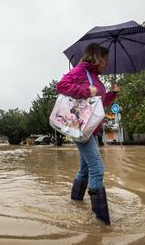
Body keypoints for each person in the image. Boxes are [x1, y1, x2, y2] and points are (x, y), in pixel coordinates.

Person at [56, 43, 120, 225]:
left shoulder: (96, 78)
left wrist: (112, 94)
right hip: (80, 127)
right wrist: (84, 91)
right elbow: (61, 86)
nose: (106, 64)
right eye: (105, 60)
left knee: (84, 170)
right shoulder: (80, 70)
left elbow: (98, 104)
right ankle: (101, 221)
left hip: (92, 128)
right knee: (97, 168)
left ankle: (76, 203)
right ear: (97, 57)